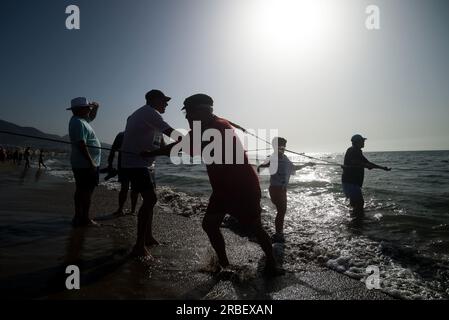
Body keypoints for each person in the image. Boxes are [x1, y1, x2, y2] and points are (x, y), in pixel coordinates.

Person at [142, 94, 283, 276]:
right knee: (209, 225)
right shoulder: (207, 126)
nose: (187, 117)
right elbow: (183, 145)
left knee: (255, 226)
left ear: (203, 110)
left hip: (242, 188)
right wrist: (153, 152)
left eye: (189, 112)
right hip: (222, 189)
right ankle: (225, 265)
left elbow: (186, 147)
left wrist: (156, 151)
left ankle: (272, 264)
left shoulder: (220, 127)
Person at [121, 89, 177, 258]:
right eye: (164, 100)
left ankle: (148, 236)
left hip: (146, 164)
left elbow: (162, 146)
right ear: (153, 99)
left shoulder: (148, 117)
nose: (166, 103)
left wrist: (170, 150)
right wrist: (195, 142)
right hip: (136, 164)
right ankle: (139, 246)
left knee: (149, 200)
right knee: (151, 199)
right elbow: (175, 135)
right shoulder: (149, 113)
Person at [257, 137, 315, 243]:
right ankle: (278, 234)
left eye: (284, 146)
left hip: (282, 189)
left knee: (281, 212)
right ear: (275, 147)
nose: (283, 148)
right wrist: (265, 165)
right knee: (281, 211)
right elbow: (260, 167)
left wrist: (307, 164)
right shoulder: (271, 158)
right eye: (280, 146)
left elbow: (293, 168)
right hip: (275, 189)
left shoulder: (285, 158)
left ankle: (279, 232)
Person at [67, 97, 101, 227]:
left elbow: (91, 117)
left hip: (84, 164)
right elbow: (81, 144)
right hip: (85, 164)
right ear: (81, 109)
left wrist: (96, 108)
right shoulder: (78, 122)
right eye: (88, 107)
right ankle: (84, 218)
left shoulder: (82, 120)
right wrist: (91, 162)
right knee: (86, 191)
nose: (89, 109)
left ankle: (79, 216)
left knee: (82, 190)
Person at [342, 134, 391, 215]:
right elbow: (357, 162)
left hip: (350, 182)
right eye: (362, 141)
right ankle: (357, 224)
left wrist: (381, 168)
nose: (364, 142)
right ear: (357, 142)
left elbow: (367, 163)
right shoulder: (353, 150)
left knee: (355, 204)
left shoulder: (356, 151)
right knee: (359, 203)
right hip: (351, 182)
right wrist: (365, 165)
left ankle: (353, 221)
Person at [107, 131, 138, 215]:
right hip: (135, 166)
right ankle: (132, 210)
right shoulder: (138, 134)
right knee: (134, 189)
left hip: (124, 166)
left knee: (124, 188)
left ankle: (121, 209)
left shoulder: (121, 135)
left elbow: (113, 150)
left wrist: (110, 164)